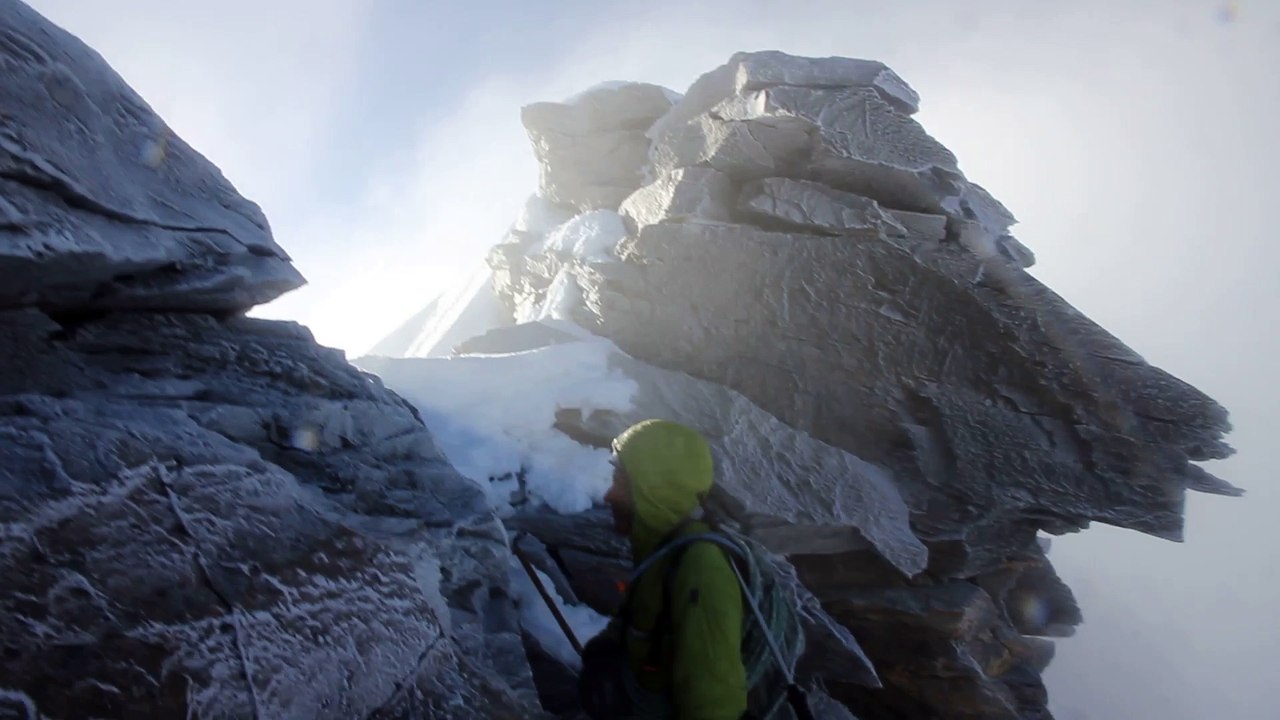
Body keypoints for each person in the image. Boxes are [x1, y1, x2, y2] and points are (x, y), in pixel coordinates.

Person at [578, 419, 749, 720]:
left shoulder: (700, 569)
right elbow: (644, 619)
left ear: (651, 490)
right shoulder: (662, 551)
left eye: (620, 482)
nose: (609, 495)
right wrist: (606, 649)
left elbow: (712, 703)